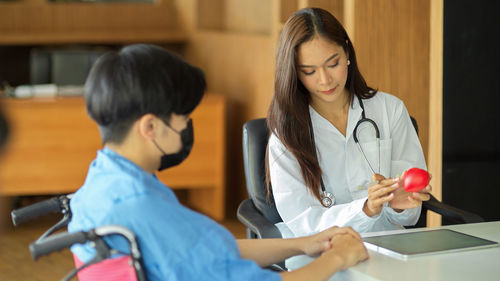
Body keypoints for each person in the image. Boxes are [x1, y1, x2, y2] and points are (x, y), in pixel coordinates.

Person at [68, 44, 368, 281]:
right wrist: (337, 258)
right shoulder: (143, 207)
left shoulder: (105, 181)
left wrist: (304, 243)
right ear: (150, 128)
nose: (187, 125)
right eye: (183, 117)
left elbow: (210, 252)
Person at [266, 8, 432, 269]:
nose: (325, 80)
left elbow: (409, 215)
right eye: (309, 71)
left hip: (388, 249)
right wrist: (364, 210)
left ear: (347, 53)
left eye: (332, 63)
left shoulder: (390, 110)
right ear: (294, 73)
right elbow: (302, 223)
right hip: (320, 257)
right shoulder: (285, 134)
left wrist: (399, 206)